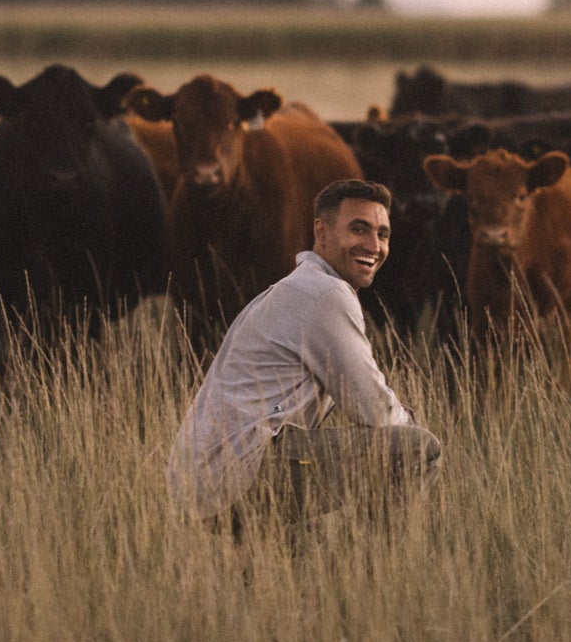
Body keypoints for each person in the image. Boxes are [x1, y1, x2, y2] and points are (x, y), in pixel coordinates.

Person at [167, 178, 441, 528]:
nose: (374, 245)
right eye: (359, 229)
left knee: (316, 534)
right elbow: (373, 409)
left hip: (203, 482)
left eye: (383, 234)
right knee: (419, 450)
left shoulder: (294, 289)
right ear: (321, 232)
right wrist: (411, 423)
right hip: (239, 473)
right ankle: (368, 572)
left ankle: (280, 559)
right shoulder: (324, 294)